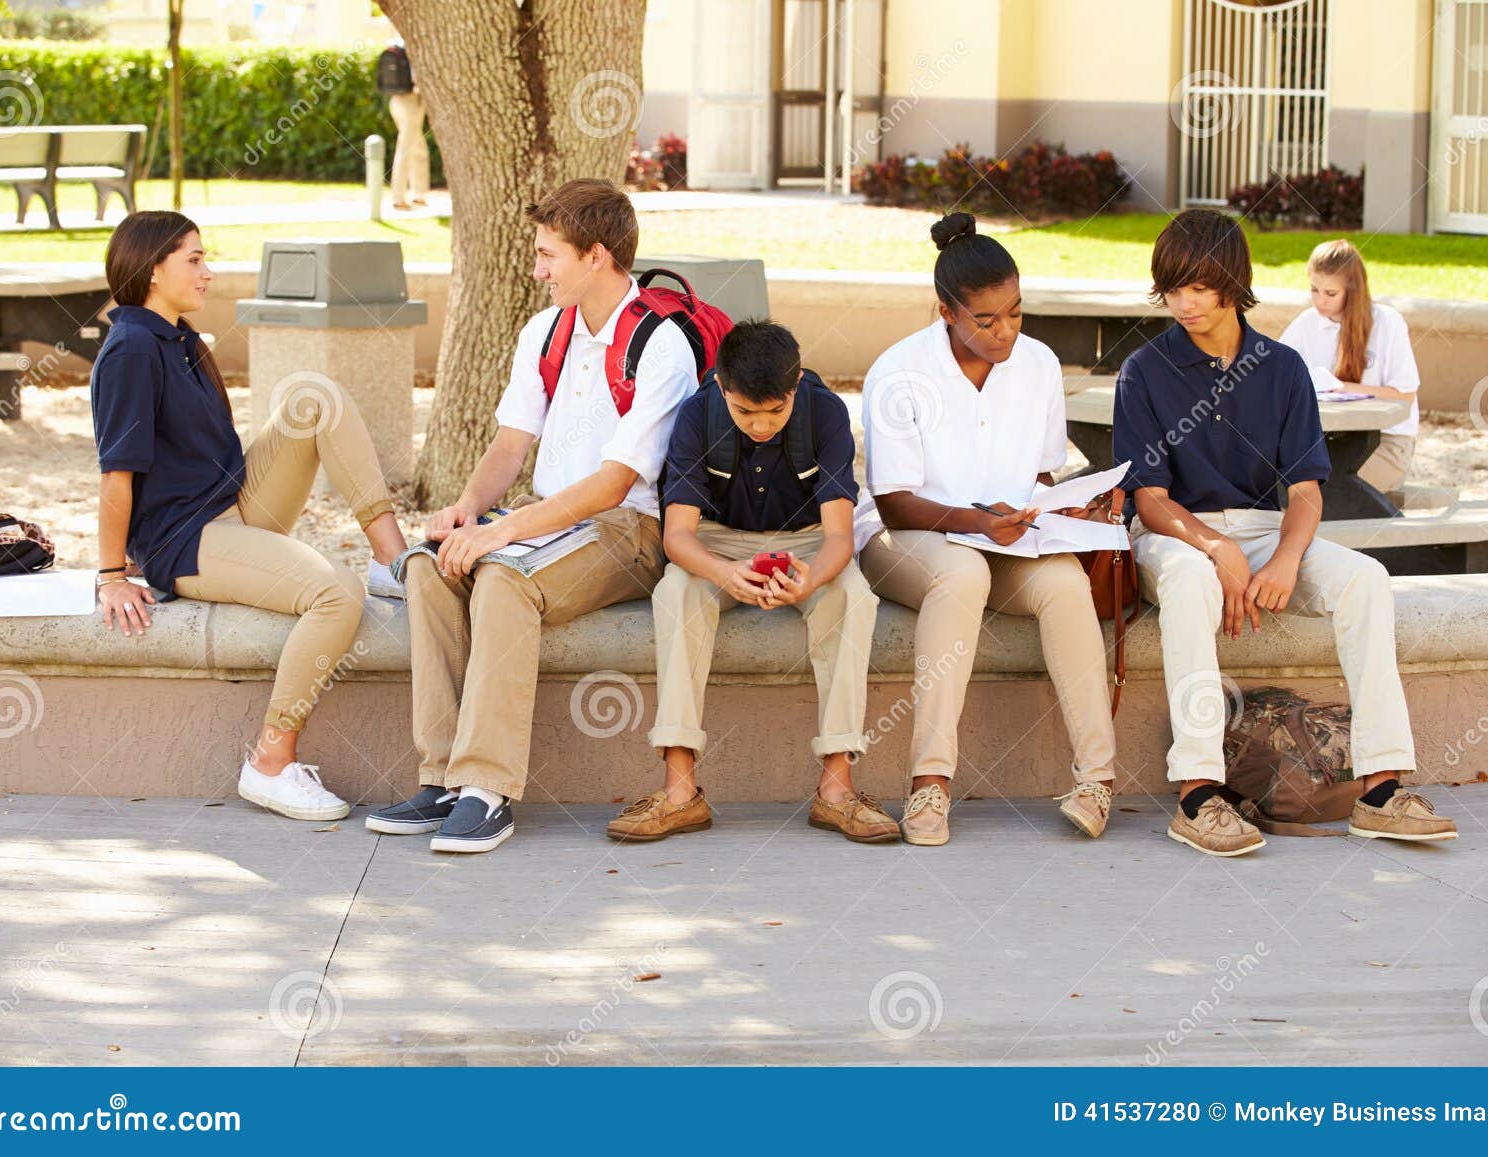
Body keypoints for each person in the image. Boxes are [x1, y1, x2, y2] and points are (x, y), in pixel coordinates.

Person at [1111, 208, 1457, 857]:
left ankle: (1381, 789)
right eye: (1173, 288)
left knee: (1367, 580)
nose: (1184, 303)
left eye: (1199, 287)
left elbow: (1305, 491)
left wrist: (1284, 561)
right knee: (1189, 580)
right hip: (1176, 535)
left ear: (1234, 283)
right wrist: (1217, 551)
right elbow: (1150, 500)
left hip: (1268, 530)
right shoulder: (1145, 370)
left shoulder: (1283, 368)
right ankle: (1198, 792)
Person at [366, 179, 698, 854]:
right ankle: (441, 781)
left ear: (597, 256)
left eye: (549, 255)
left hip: (625, 532)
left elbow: (613, 485)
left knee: (502, 579)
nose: (538, 268)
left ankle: (488, 792)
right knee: (429, 569)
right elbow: (511, 444)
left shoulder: (662, 347)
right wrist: (469, 509)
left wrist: (507, 531)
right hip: (545, 523)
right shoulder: (545, 329)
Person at [90, 210, 407, 823]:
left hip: (234, 504)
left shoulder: (176, 337)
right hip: (189, 540)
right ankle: (270, 762)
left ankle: (395, 560)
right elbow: (115, 475)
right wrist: (111, 573)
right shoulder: (131, 350)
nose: (208, 273)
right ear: (153, 270)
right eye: (194, 260)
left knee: (313, 393)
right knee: (335, 595)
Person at [856, 212, 1120, 847]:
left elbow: (1040, 474)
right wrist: (977, 523)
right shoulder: (898, 372)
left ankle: (1097, 779)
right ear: (947, 311)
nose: (1006, 331)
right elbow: (893, 504)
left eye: (1017, 313)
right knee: (963, 571)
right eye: (986, 319)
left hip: (1005, 535)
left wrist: (1063, 509)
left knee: (1063, 584)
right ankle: (930, 783)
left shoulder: (1039, 364)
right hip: (908, 542)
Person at [607, 320, 893, 843]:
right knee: (676, 590)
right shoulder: (698, 414)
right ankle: (679, 792)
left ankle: (837, 790)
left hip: (806, 540)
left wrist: (809, 583)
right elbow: (678, 537)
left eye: (774, 412)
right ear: (721, 387)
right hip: (718, 542)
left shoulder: (825, 411)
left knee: (851, 594)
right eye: (745, 413)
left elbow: (838, 538)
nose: (760, 426)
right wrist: (722, 573)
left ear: (796, 383)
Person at [1277, 239, 1421, 499]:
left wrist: (1343, 388)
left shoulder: (1387, 323)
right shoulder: (1306, 323)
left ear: (1352, 291)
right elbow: (1273, 376)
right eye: (1314, 290)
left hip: (1387, 443)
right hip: (1325, 443)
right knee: (1282, 487)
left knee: (1329, 494)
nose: (1320, 301)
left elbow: (1405, 396)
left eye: (1330, 293)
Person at [377, 41, 430, 210]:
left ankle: (418, 193)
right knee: (406, 147)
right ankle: (398, 197)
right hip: (411, 101)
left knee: (418, 145)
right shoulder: (414, 49)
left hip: (396, 101)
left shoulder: (397, 47)